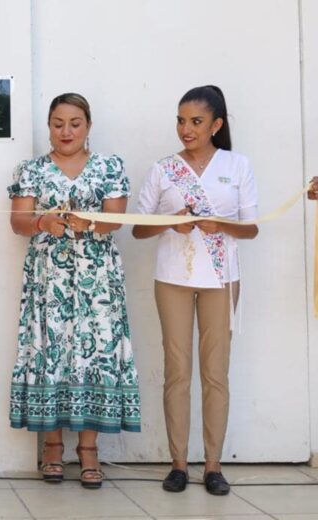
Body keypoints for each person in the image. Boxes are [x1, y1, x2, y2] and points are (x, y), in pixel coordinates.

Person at [7, 93, 140, 489]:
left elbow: (118, 219)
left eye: (75, 123)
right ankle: (51, 448)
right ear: (49, 126)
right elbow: (17, 221)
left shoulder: (109, 166)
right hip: (49, 278)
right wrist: (41, 223)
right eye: (58, 123)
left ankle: (88, 451)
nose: (66, 131)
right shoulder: (31, 169)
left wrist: (91, 224)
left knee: (94, 352)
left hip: (97, 279)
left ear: (88, 126)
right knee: (50, 349)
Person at [132, 85, 258, 496]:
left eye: (196, 122)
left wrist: (218, 224)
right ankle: (179, 464)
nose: (186, 129)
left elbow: (251, 228)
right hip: (173, 278)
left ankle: (214, 465)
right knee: (177, 371)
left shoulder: (237, 166)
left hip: (221, 279)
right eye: (181, 120)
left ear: (216, 125)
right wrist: (172, 221)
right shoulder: (163, 169)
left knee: (215, 372)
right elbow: (137, 228)